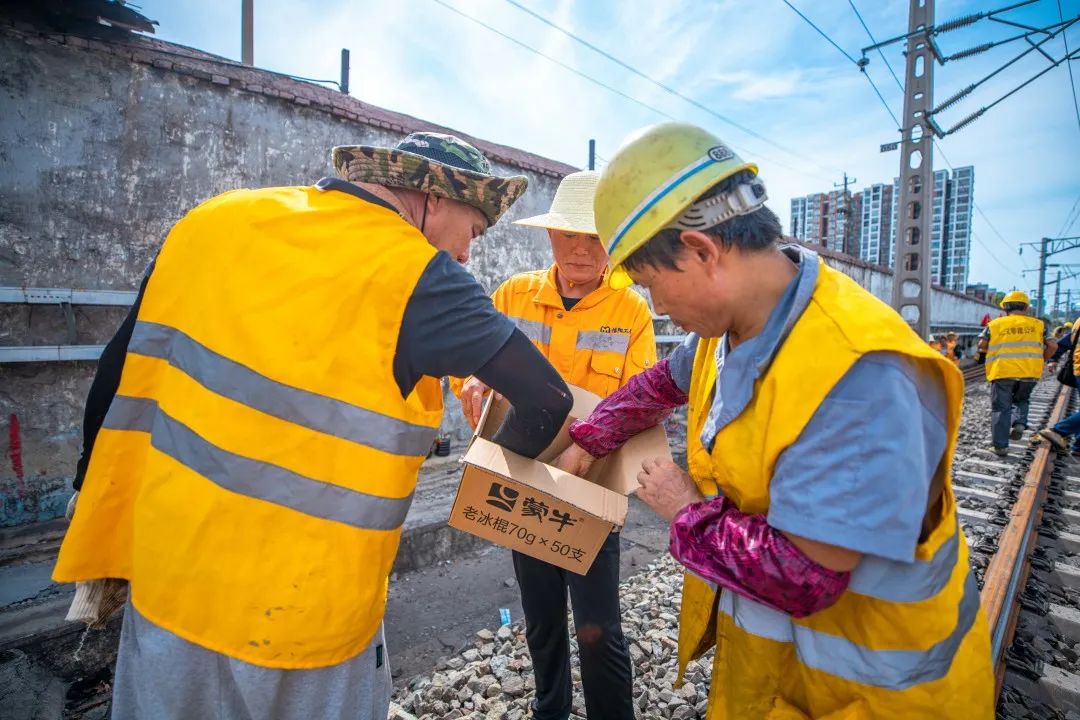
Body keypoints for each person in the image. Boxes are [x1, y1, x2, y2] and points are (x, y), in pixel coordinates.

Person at [53, 132, 574, 720]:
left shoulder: (214, 222)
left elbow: (120, 369)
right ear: (434, 197)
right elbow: (548, 399)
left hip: (169, 584)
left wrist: (85, 486)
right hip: (306, 622)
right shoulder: (419, 275)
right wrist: (493, 483)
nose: (467, 256)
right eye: (474, 232)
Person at [554, 123, 993, 718]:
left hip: (872, 695)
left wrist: (685, 510)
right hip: (781, 676)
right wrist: (589, 437)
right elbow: (661, 384)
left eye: (653, 285)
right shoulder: (735, 323)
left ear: (703, 252)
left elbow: (804, 576)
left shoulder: (856, 375)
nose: (656, 307)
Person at [454, 169, 655, 720]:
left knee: (596, 626)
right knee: (540, 616)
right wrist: (473, 379)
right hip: (522, 478)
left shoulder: (631, 311)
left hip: (589, 485)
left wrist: (586, 446)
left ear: (610, 243)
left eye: (594, 238)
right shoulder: (512, 295)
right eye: (570, 236)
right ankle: (551, 710)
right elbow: (471, 364)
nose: (582, 250)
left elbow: (640, 398)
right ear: (550, 237)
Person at [977, 290, 1056, 456]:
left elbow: (981, 345)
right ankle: (1019, 422)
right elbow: (1053, 346)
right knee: (1022, 400)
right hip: (1029, 372)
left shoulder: (995, 324)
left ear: (1005, 307)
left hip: (1002, 371)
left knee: (1001, 408)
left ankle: (1000, 446)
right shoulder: (1039, 325)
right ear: (1026, 307)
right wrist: (1041, 360)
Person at [1039, 318, 1080, 456]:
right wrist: (1053, 359)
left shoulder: (1078, 322)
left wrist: (1053, 359)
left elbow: (1064, 343)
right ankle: (1058, 431)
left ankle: (1079, 446)